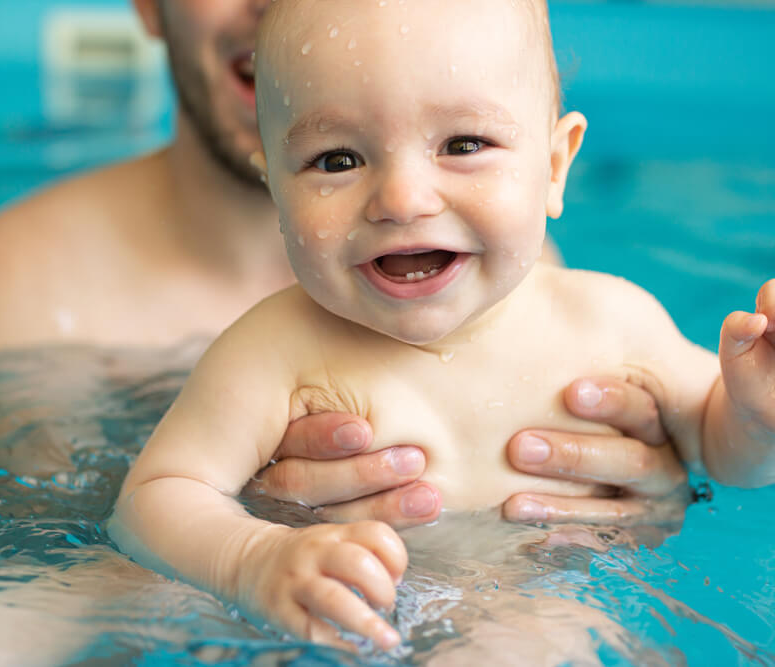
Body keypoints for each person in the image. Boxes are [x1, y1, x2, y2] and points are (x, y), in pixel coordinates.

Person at [107, 0, 775, 651]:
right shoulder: (272, 350)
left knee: (528, 635)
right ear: (275, 185)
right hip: (330, 621)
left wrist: (753, 412)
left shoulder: (611, 321)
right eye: (337, 159)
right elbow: (156, 497)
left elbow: (720, 447)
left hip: (549, 608)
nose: (401, 199)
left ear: (554, 164)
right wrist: (253, 558)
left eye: (463, 144)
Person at [0, 0, 686, 527]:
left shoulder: (507, 271)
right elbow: (32, 587)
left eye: (462, 145)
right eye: (338, 158)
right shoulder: (15, 286)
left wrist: (651, 490)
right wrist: (231, 537)